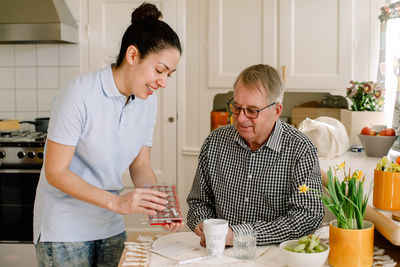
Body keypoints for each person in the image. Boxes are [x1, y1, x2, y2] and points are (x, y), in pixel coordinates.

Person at [33, 3, 183, 266]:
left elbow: (141, 165)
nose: (163, 82)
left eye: (169, 74)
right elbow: (55, 172)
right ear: (133, 55)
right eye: (159, 70)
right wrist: (117, 202)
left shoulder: (147, 101)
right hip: (65, 230)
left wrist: (159, 206)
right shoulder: (78, 95)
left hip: (110, 226)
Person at [187, 64, 324, 246]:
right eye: (236, 107)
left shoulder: (301, 149)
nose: (241, 118)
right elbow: (198, 202)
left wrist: (239, 235)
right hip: (221, 253)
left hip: (276, 256)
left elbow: (307, 216)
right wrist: (203, 223)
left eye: (252, 111)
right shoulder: (214, 143)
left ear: (277, 110)